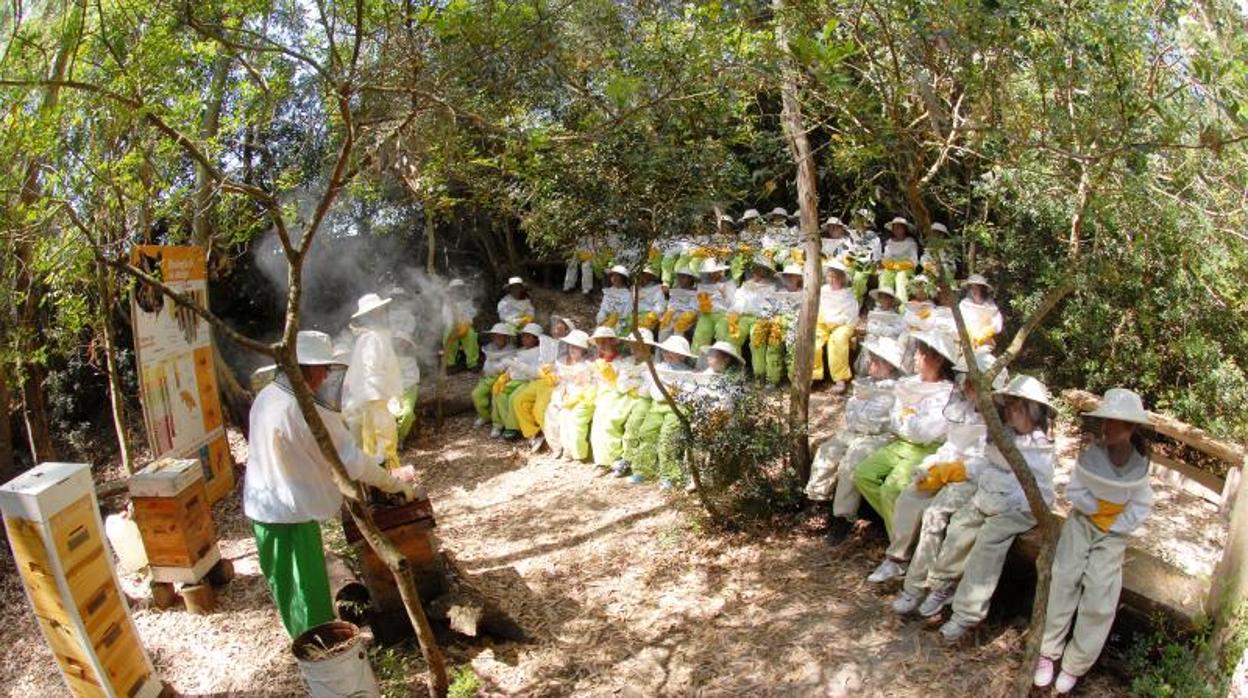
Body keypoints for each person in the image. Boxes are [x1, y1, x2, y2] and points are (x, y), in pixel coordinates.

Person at [245, 331, 414, 637]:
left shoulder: (267, 396)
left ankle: (309, 649)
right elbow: (351, 461)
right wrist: (394, 485)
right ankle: (326, 658)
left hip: (261, 510)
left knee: (287, 591)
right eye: (321, 366)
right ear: (303, 368)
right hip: (291, 514)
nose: (325, 375)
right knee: (309, 598)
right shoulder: (306, 410)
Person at [921, 374, 1057, 642]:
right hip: (990, 496)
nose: (1011, 413)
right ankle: (943, 584)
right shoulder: (1002, 435)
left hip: (1022, 507)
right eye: (1010, 406)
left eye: (1018, 408)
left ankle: (966, 615)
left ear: (1035, 412)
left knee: (988, 541)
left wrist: (998, 500)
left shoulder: (1040, 445)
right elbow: (988, 466)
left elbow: (1030, 484)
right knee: (960, 524)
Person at [1035, 389, 1153, 694]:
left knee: (1100, 592)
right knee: (1064, 576)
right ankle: (1047, 652)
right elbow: (1074, 491)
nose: (1108, 427)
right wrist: (1095, 510)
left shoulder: (1139, 465)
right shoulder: (1092, 455)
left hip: (1113, 534)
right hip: (1082, 523)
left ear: (1130, 427)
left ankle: (1075, 664)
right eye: (1107, 421)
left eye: (1115, 422)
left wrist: (1114, 521)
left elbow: (1141, 506)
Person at [886, 351, 1006, 594]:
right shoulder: (963, 406)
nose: (968, 386)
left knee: (934, 514)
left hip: (974, 478)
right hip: (951, 468)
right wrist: (931, 465)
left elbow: (990, 462)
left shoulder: (1001, 418)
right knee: (909, 496)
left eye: (974, 381)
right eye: (968, 380)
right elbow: (951, 444)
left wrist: (955, 471)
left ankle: (921, 585)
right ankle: (897, 559)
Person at [851, 331, 957, 539]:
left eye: (921, 353)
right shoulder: (910, 383)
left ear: (937, 359)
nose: (915, 357)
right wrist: (908, 418)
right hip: (900, 443)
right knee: (863, 474)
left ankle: (899, 547)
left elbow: (924, 431)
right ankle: (904, 529)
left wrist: (906, 418)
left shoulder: (946, 393)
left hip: (928, 449)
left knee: (891, 489)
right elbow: (895, 418)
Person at [806, 336, 905, 539]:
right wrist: (858, 407)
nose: (869, 362)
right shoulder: (866, 383)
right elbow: (850, 414)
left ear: (888, 365)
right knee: (828, 450)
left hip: (880, 437)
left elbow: (878, 421)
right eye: (870, 358)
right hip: (855, 432)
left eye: (875, 360)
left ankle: (843, 517)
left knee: (853, 459)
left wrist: (860, 409)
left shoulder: (895, 390)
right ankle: (819, 501)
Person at [342, 293, 404, 470]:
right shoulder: (371, 339)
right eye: (379, 311)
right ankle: (393, 484)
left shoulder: (371, 337)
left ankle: (383, 487)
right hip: (376, 401)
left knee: (373, 447)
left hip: (373, 401)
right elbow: (371, 372)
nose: (383, 313)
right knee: (385, 445)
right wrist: (384, 399)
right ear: (373, 314)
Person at [625, 335, 696, 485]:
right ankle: (642, 470)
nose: (668, 355)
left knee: (668, 438)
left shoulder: (689, 373)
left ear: (682, 355)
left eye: (673, 352)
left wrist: (676, 393)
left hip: (677, 409)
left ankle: (669, 475)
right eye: (666, 351)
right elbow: (649, 388)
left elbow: (691, 392)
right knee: (646, 433)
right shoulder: (658, 368)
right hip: (657, 406)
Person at [591, 328, 654, 471]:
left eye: (640, 345)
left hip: (642, 399)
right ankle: (606, 460)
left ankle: (623, 459)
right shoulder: (627, 361)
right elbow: (622, 384)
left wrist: (634, 386)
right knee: (603, 416)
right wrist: (631, 384)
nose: (636, 348)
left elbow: (648, 386)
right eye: (634, 344)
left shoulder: (653, 364)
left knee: (621, 420)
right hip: (624, 395)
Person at [543, 329, 595, 460]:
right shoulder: (561, 360)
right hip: (561, 392)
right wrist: (551, 377)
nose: (573, 350)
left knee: (567, 418)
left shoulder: (586, 365)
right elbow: (557, 377)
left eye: (577, 347)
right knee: (550, 414)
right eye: (571, 346)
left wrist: (576, 396)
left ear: (583, 350)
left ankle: (569, 451)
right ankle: (556, 447)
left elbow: (587, 384)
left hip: (578, 396)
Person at [490, 323, 546, 441]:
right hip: (515, 379)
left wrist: (514, 367)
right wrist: (505, 376)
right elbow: (513, 364)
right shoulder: (521, 350)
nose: (524, 339)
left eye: (528, 336)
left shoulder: (540, 352)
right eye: (523, 336)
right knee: (499, 394)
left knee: (513, 398)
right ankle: (501, 424)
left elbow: (534, 371)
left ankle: (513, 428)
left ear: (536, 339)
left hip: (527, 381)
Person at [816, 260, 859, 393]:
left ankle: (840, 381)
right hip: (823, 322)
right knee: (814, 340)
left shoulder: (848, 294)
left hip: (842, 325)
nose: (831, 279)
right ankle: (813, 377)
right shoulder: (823, 290)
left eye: (835, 276)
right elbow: (817, 308)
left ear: (842, 278)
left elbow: (850, 315)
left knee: (838, 340)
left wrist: (834, 321)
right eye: (829, 276)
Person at [728, 255, 777, 364]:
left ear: (766, 271)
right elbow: (738, 301)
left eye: (761, 269)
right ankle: (735, 367)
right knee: (734, 336)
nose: (757, 271)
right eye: (755, 268)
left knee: (757, 342)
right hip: (744, 317)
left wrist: (765, 316)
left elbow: (771, 306)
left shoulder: (771, 287)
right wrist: (734, 315)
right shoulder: (746, 284)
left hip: (761, 319)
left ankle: (760, 374)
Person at [471, 323, 517, 433]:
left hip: (503, 379)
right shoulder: (490, 347)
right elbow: (488, 363)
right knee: (476, 394)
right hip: (488, 378)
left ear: (506, 337)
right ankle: (485, 416)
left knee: (496, 397)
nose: (497, 338)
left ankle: (498, 424)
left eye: (500, 336)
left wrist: (494, 370)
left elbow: (502, 368)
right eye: (495, 335)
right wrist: (485, 370)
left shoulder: (511, 350)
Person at [692, 259, 737, 353]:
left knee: (722, 335)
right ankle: (697, 361)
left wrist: (723, 293)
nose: (712, 275)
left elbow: (732, 302)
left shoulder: (728, 282)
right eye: (710, 272)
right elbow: (697, 300)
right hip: (706, 314)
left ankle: (721, 362)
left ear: (720, 271)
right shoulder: (703, 283)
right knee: (700, 335)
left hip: (723, 314)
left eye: (715, 272)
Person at [879, 216, 920, 303]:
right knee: (884, 277)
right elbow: (886, 258)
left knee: (900, 278)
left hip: (907, 269)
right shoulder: (889, 242)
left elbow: (914, 261)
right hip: (892, 267)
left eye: (899, 227)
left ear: (905, 229)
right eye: (895, 228)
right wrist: (889, 264)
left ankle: (902, 306)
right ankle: (884, 304)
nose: (897, 230)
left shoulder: (911, 242)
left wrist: (902, 265)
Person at [442, 278, 480, 371]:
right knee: (448, 337)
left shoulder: (467, 302)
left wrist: (466, 322)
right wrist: (453, 324)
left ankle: (472, 363)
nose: (457, 291)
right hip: (452, 326)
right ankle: (450, 364)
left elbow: (472, 313)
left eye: (459, 289)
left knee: (471, 336)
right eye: (455, 289)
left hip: (465, 326)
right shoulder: (447, 304)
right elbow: (445, 317)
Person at [959, 274, 1004, 349]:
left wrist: (987, 332)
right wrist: (967, 333)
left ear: (983, 289)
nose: (974, 290)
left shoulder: (990, 306)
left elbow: (997, 323)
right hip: (967, 343)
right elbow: (958, 321)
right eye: (972, 287)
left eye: (977, 287)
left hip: (985, 343)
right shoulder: (964, 304)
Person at [659, 263, 700, 341]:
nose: (680, 279)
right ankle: (661, 351)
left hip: (686, 315)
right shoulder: (675, 290)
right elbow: (671, 305)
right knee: (664, 330)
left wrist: (685, 316)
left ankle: (677, 350)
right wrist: (669, 313)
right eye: (679, 277)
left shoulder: (695, 292)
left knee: (678, 331)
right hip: (673, 313)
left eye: (683, 277)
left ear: (690, 279)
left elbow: (694, 309)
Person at [597, 265, 635, 335]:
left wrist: (618, 320)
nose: (614, 278)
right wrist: (601, 317)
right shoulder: (608, 292)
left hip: (620, 324)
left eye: (617, 276)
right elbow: (603, 307)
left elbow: (627, 312)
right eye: (613, 275)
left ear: (623, 278)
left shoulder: (628, 294)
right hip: (605, 321)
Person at [635, 267, 667, 335]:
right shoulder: (635, 287)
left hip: (648, 317)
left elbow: (660, 308)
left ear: (651, 276)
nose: (642, 277)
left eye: (645, 274)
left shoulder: (658, 288)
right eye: (641, 274)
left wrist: (651, 316)